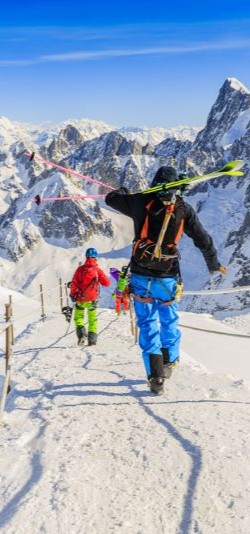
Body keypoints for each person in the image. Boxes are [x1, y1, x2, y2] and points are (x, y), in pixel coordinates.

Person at [105, 166, 227, 395]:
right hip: (168, 276)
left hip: (141, 274)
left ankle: (155, 375)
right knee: (168, 319)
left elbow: (111, 199)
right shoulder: (183, 208)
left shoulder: (140, 201)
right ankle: (169, 361)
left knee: (147, 324)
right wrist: (213, 263)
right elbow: (203, 238)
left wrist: (123, 191)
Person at [70, 247, 110, 346]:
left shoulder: (80, 270)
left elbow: (74, 283)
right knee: (92, 320)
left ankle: (82, 334)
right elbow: (107, 283)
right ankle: (92, 340)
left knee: (78, 317)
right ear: (95, 257)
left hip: (81, 299)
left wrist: (72, 294)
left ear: (86, 257)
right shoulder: (97, 270)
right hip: (93, 300)